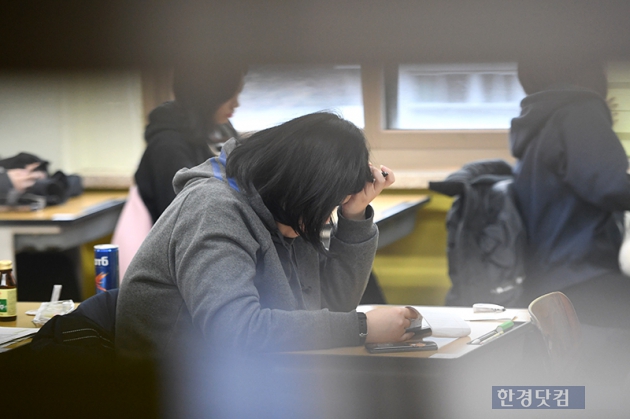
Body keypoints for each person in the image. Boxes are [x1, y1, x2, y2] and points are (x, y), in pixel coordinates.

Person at [116, 112, 418, 358]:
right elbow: (235, 331)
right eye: (328, 205)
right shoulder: (213, 209)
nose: (327, 218)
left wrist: (354, 216)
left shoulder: (284, 208)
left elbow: (331, 307)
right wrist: (361, 327)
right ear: (303, 187)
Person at [510, 54, 630, 326]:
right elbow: (610, 185)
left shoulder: (540, 119)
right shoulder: (581, 113)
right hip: (582, 274)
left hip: (548, 278)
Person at [134, 60, 247, 223]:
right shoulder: (167, 146)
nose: (236, 104)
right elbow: (184, 215)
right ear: (208, 95)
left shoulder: (221, 130)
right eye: (229, 95)